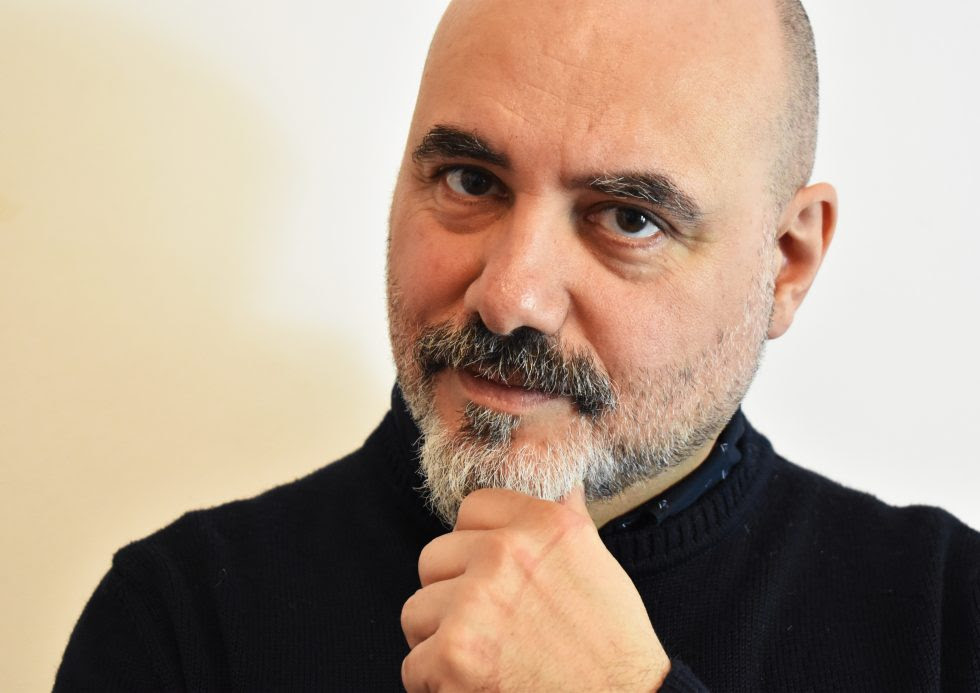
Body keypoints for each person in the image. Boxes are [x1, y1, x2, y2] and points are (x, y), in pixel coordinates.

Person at [56, 0, 980, 690]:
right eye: (469, 178)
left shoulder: (949, 618)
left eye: (628, 216)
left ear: (786, 261)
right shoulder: (181, 623)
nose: (510, 297)